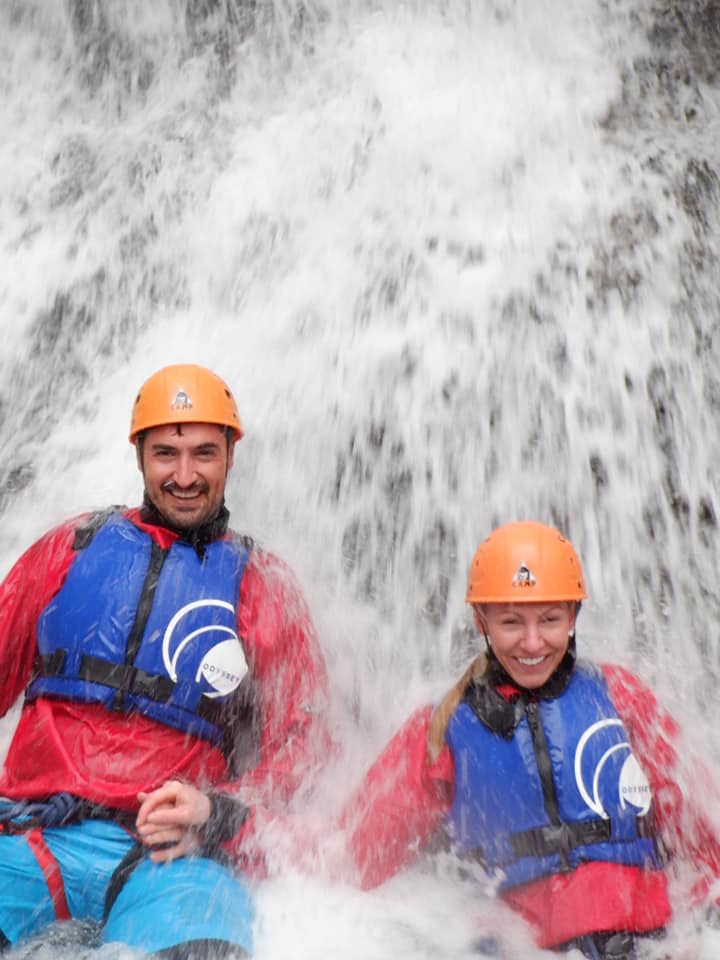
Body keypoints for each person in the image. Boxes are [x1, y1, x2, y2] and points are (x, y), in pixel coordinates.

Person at [0, 363, 332, 958]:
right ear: (139, 456)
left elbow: (303, 756)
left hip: (176, 859)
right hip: (33, 839)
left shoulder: (265, 587)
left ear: (231, 454)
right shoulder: (66, 550)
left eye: (203, 452)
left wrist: (218, 812)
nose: (185, 476)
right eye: (165, 454)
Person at [335, 521, 720, 959]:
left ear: (573, 615)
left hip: (649, 937)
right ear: (481, 619)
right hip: (525, 946)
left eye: (551, 619)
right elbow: (357, 852)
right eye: (512, 622)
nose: (533, 642)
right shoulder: (442, 727)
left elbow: (693, 812)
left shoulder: (619, 695)